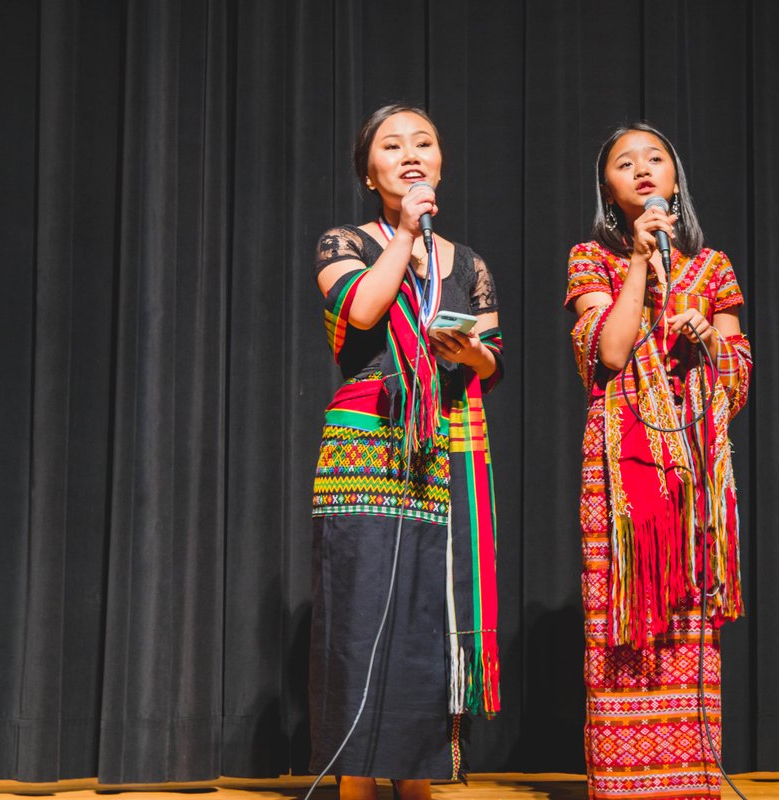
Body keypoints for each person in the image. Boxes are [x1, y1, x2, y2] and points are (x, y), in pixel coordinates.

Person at [310, 104, 503, 800]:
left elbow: (492, 362)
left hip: (443, 452)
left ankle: (418, 782)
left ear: (441, 162)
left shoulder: (470, 262)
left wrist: (473, 354)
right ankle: (355, 787)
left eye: (424, 143)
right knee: (363, 615)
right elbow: (361, 310)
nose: (411, 154)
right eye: (392, 146)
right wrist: (405, 236)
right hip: (366, 450)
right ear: (371, 171)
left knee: (428, 619)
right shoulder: (344, 241)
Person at [564, 123, 753, 799]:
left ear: (674, 179)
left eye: (655, 159)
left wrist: (711, 346)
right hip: (620, 475)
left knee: (687, 630)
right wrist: (640, 264)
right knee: (620, 620)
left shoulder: (714, 267)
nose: (642, 169)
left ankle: (689, 783)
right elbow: (608, 354)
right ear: (609, 188)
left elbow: (736, 383)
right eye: (624, 162)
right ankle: (623, 786)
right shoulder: (592, 258)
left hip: (691, 475)